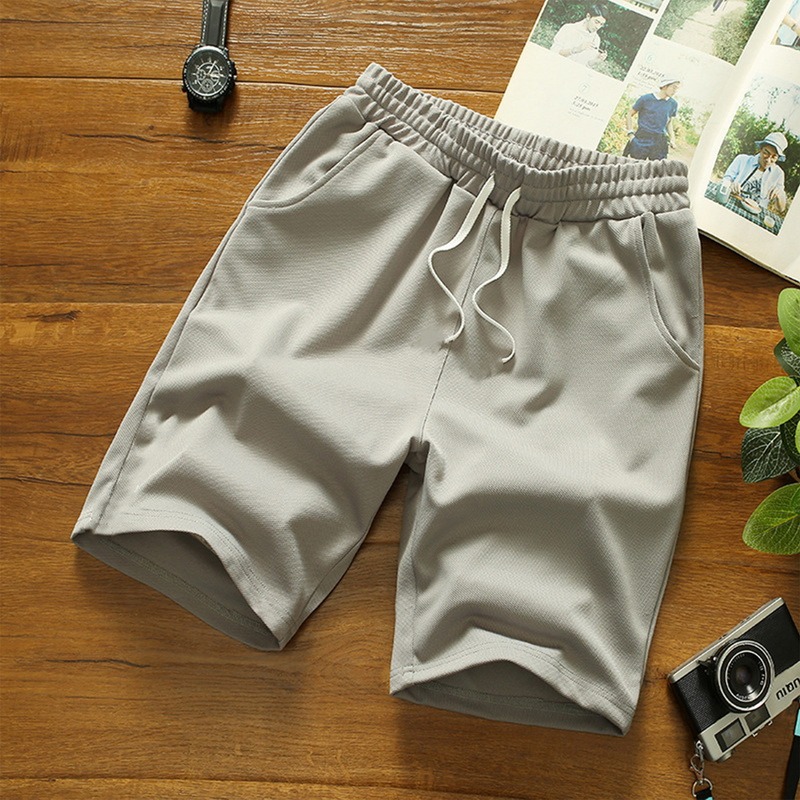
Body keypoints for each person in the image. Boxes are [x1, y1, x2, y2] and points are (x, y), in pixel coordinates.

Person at [720, 131, 788, 213]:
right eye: (766, 153)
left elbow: (781, 209)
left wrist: (781, 195)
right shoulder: (742, 159)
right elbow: (725, 180)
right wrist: (730, 184)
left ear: (778, 158)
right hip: (734, 202)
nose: (768, 160)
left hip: (756, 212)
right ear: (760, 149)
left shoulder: (779, 174)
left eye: (774, 157)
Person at [623, 78, 680, 161]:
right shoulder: (646, 99)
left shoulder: (673, 104)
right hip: (642, 137)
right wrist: (630, 134)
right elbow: (629, 114)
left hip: (659, 141)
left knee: (657, 168)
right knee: (634, 166)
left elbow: (669, 122)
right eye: (674, 87)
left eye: (677, 89)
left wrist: (672, 139)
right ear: (665, 86)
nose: (675, 91)